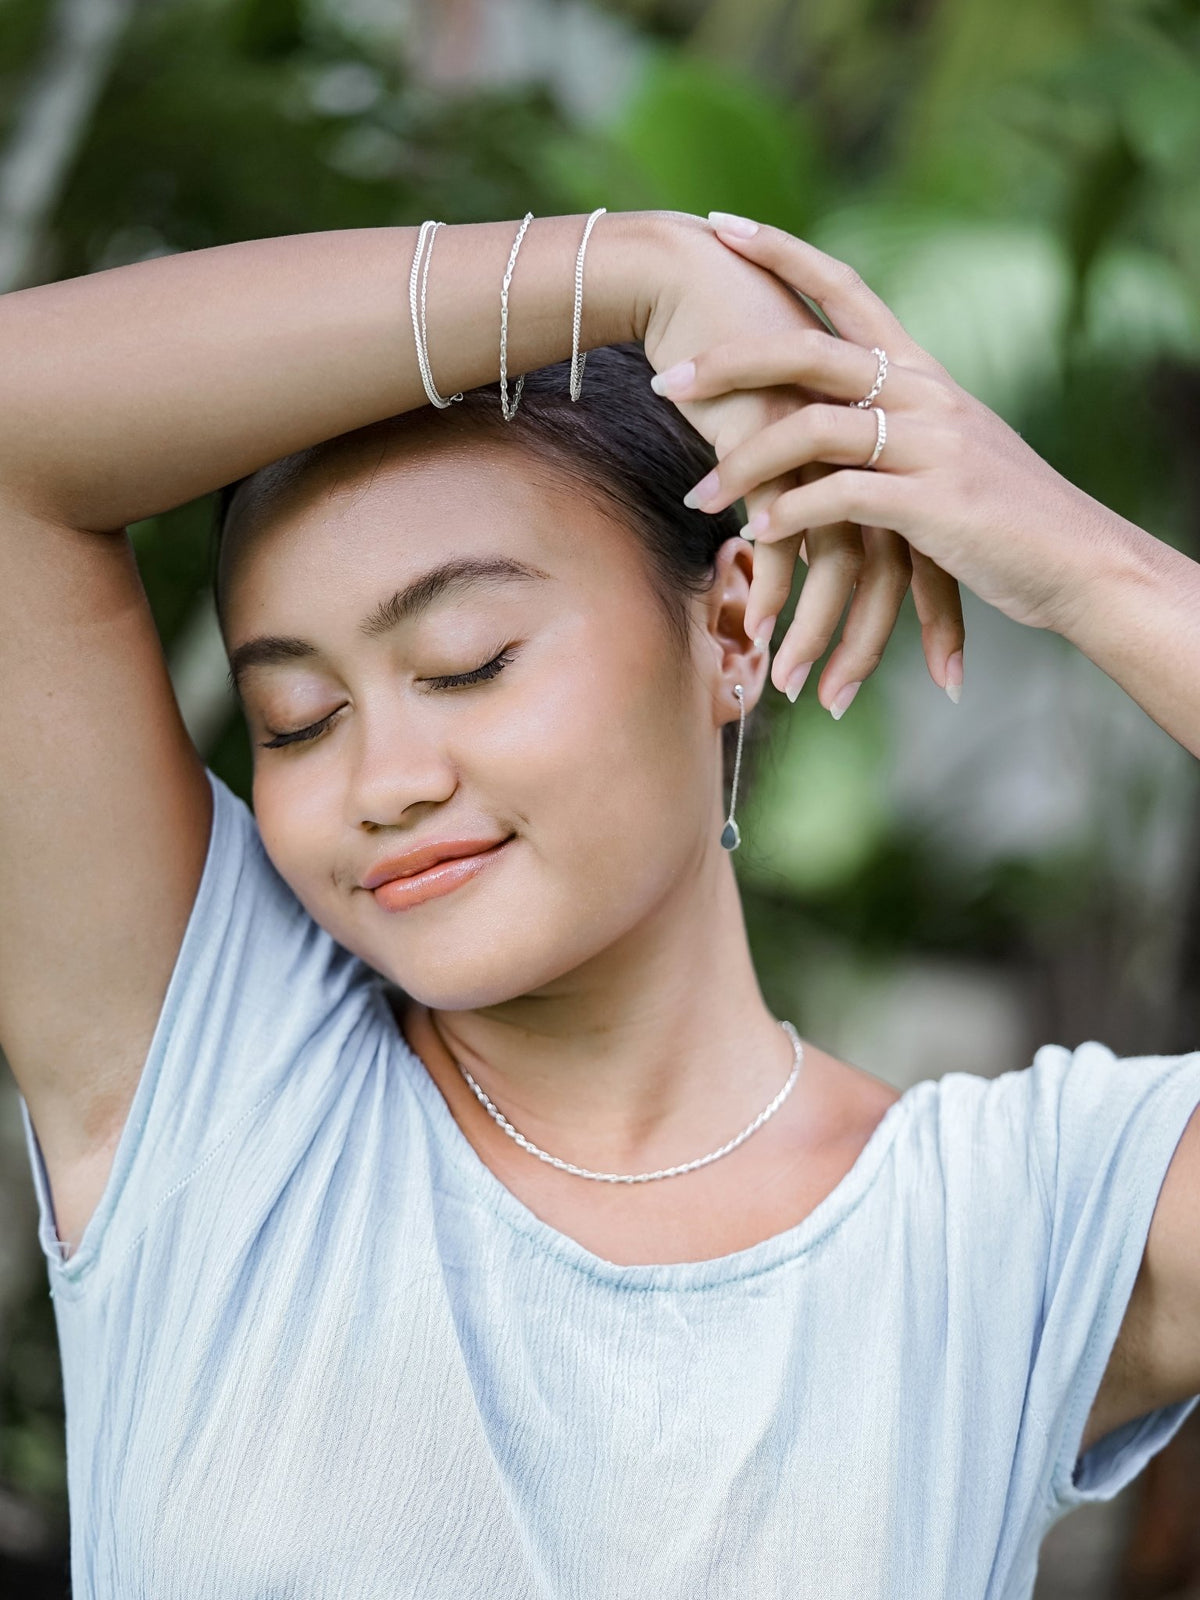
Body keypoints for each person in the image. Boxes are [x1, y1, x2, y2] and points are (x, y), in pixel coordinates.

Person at [1, 206, 1198, 1599]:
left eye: (470, 660)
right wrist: (640, 271)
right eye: (298, 717)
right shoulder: (216, 1090)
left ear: (733, 623)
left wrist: (1096, 570)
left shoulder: (1023, 1228)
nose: (384, 780)